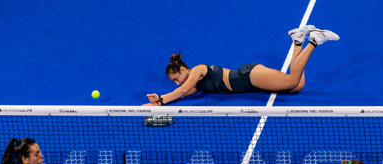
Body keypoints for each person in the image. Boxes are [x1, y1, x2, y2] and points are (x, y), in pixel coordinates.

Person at [143, 25, 339, 106]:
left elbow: (183, 89)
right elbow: (184, 92)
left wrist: (161, 100)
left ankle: (314, 40)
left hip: (248, 76)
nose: (177, 83)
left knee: (292, 80)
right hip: (250, 83)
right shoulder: (195, 83)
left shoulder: (197, 70)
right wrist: (154, 104)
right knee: (298, 86)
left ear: (183, 70)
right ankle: (298, 40)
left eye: (176, 79)